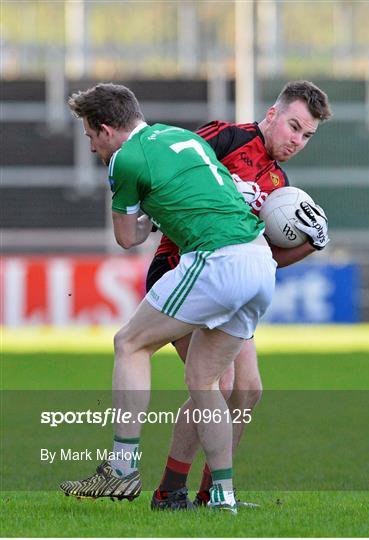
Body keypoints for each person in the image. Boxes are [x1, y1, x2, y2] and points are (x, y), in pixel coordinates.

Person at [60, 82, 279, 514]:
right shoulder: (183, 136)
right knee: (204, 381)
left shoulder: (125, 158)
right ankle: (223, 497)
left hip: (218, 260)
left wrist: (145, 218)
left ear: (105, 129)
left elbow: (127, 238)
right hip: (260, 262)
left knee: (129, 343)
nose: (90, 146)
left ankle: (121, 469)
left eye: (89, 136)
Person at [147, 81, 332, 510]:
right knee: (217, 382)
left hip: (231, 283)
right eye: (293, 126)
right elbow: (173, 164)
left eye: (307, 135)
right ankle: (170, 491)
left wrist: (311, 243)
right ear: (272, 113)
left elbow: (267, 259)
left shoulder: (280, 186)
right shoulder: (226, 137)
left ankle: (212, 492)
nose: (297, 141)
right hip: (184, 269)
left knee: (247, 389)